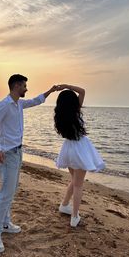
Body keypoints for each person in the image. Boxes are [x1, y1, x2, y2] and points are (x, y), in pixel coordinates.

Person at [0, 74, 58, 253]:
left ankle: (4, 223)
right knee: (6, 193)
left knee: (11, 190)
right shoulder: (4, 105)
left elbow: (36, 101)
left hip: (17, 152)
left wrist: (50, 91)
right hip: (7, 155)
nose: (26, 88)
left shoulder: (19, 104)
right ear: (16, 86)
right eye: (24, 85)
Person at [54, 84, 105, 227]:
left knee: (74, 180)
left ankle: (64, 205)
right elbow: (82, 90)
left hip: (68, 149)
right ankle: (75, 216)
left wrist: (63, 88)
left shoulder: (60, 116)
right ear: (73, 102)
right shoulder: (76, 112)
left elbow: (81, 92)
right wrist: (65, 85)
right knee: (78, 185)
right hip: (80, 149)